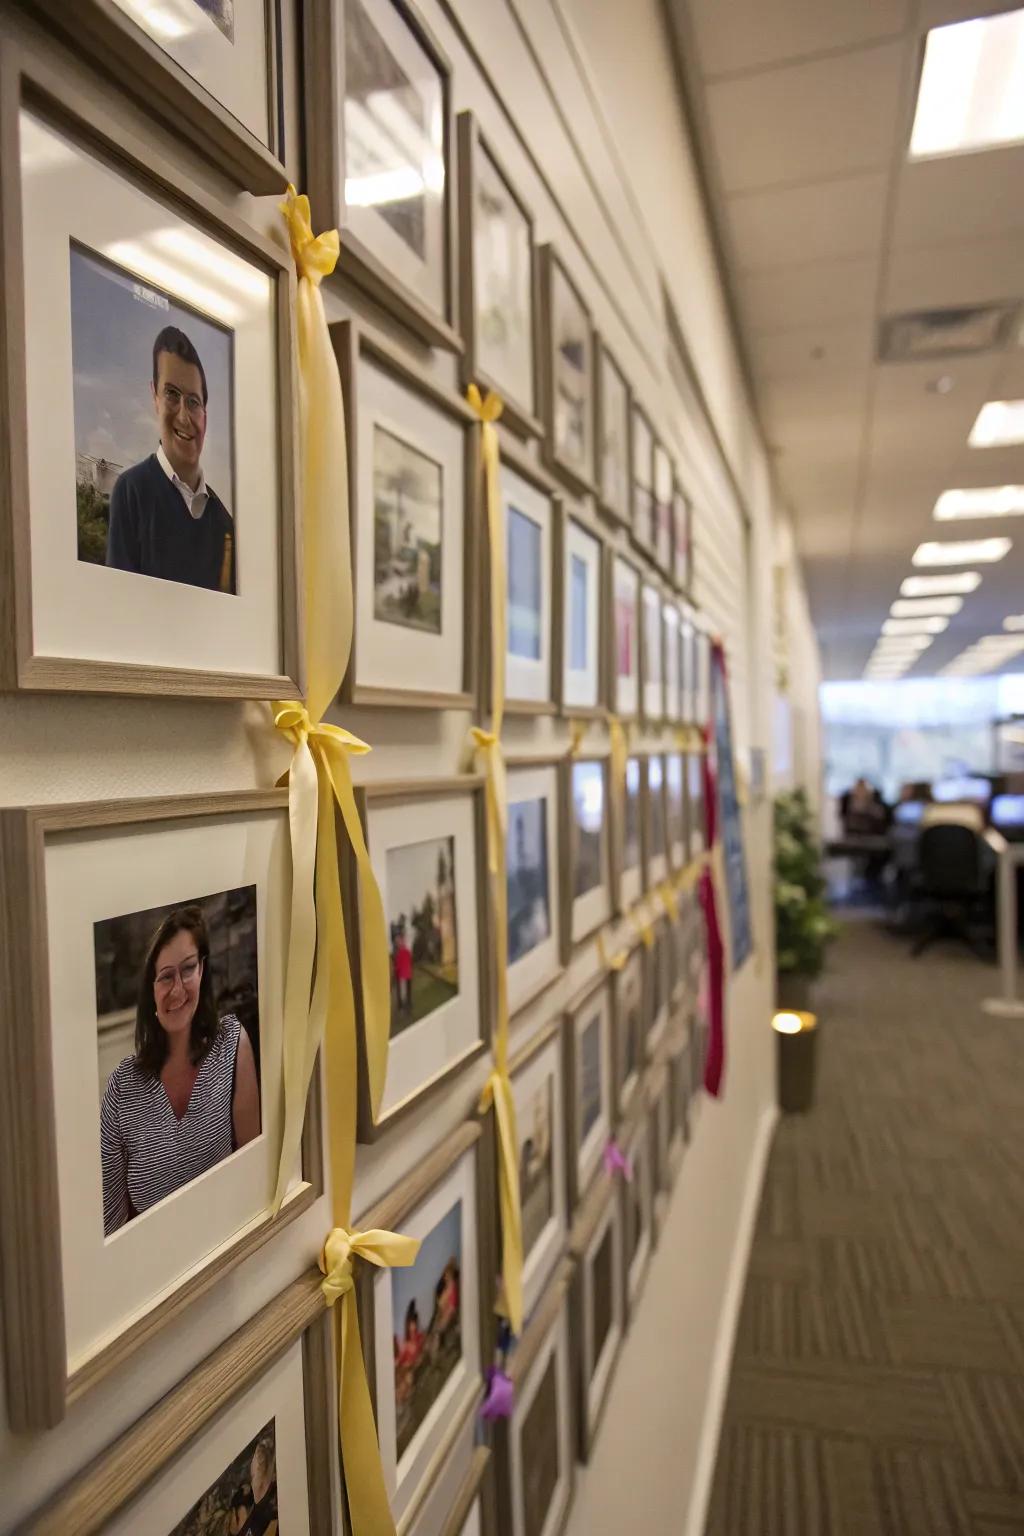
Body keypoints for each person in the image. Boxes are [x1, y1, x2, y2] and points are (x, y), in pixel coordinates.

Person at [100, 905, 260, 1236]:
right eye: (165, 976)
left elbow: (252, 1178)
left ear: (202, 969)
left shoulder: (231, 1044)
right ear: (150, 990)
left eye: (187, 969)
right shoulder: (121, 1090)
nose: (178, 990)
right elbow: (110, 1225)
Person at [105, 325, 235, 592]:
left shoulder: (224, 523)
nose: (184, 417)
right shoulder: (131, 492)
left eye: (194, 402)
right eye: (172, 394)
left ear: (205, 415)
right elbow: (118, 609)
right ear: (155, 396)